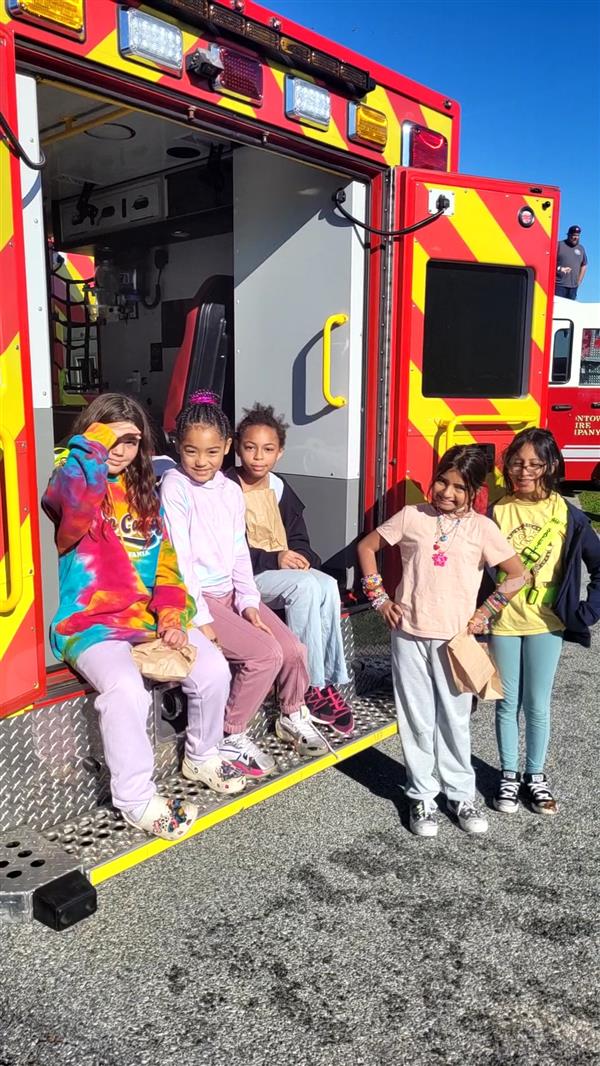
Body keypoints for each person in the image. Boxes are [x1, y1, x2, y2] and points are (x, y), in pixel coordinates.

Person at [42, 393, 244, 844]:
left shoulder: (145, 496)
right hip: (90, 622)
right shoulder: (71, 476)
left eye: (131, 441)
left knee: (211, 668)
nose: (120, 449)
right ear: (92, 434)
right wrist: (94, 444)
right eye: (111, 437)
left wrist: (173, 616)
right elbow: (72, 510)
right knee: (125, 690)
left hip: (147, 618)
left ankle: (202, 754)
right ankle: (135, 799)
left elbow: (167, 564)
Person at [357, 446, 525, 839]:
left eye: (459, 487)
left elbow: (516, 575)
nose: (446, 492)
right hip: (409, 635)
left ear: (476, 491)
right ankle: (421, 795)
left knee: (454, 718)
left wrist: (484, 613)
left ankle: (461, 794)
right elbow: (367, 548)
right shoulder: (413, 516)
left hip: (455, 640)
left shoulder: (483, 528)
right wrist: (379, 598)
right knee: (415, 717)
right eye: (442, 481)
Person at [160, 391, 330, 774]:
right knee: (263, 655)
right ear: (178, 448)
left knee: (293, 649)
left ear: (226, 448)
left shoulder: (230, 490)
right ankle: (229, 733)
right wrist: (200, 616)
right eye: (191, 451)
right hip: (197, 598)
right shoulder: (175, 486)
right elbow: (179, 559)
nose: (201, 462)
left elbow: (239, 552)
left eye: (212, 452)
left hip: (231, 594)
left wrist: (250, 602)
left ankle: (290, 712)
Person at [488, 428, 600, 816]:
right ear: (507, 466)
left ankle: (534, 776)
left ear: (551, 465)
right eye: (517, 463)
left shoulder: (568, 515)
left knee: (537, 704)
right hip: (502, 621)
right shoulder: (496, 511)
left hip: (547, 622)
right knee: (506, 703)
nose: (525, 471)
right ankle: (507, 774)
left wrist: (586, 612)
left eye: (535, 463)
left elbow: (599, 566)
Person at [227, 403, 353, 737]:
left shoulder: (279, 488)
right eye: (250, 447)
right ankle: (308, 685)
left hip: (277, 569)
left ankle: (326, 681)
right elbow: (226, 551)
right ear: (237, 447)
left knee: (326, 584)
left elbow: (300, 537)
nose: (258, 457)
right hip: (246, 575)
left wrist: (301, 556)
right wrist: (276, 559)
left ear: (280, 453)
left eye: (268, 449)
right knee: (306, 588)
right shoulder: (227, 488)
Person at [555, 225, 587, 299]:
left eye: (578, 235)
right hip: (558, 285)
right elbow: (549, 262)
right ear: (569, 235)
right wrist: (560, 268)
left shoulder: (581, 249)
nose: (576, 237)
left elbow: (584, 265)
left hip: (573, 287)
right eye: (574, 235)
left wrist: (579, 281)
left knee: (569, 309)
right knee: (558, 308)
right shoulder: (559, 245)